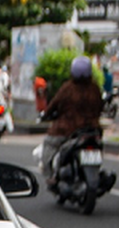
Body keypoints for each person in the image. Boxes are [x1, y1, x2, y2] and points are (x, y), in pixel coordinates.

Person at [40, 56, 103, 186]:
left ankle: (52, 176)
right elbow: (100, 107)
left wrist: (45, 115)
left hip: (67, 130)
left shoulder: (68, 89)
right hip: (93, 129)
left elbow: (53, 105)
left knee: (49, 145)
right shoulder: (94, 89)